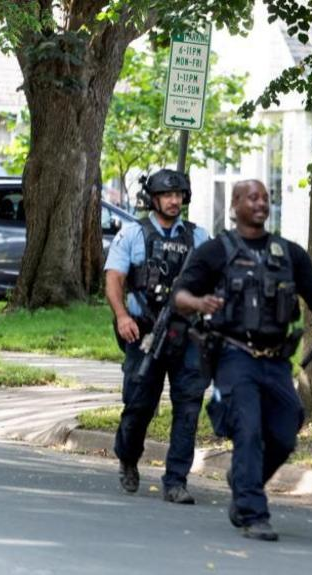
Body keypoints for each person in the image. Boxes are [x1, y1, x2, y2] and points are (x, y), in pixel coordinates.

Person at [173, 179, 312, 541]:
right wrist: (200, 303)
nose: (261, 203)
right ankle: (252, 513)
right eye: (252, 198)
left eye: (265, 198)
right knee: (247, 430)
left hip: (276, 360)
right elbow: (180, 295)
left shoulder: (288, 253)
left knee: (285, 433)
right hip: (234, 356)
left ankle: (243, 480)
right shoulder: (215, 251)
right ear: (235, 205)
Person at [103, 169, 211, 504]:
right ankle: (127, 456)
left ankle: (176, 481)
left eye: (178, 195)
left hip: (186, 332)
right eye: (167, 195)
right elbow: (114, 279)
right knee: (138, 404)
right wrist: (122, 316)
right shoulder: (133, 233)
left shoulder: (199, 236)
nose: (174, 200)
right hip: (144, 330)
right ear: (154, 199)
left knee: (189, 406)